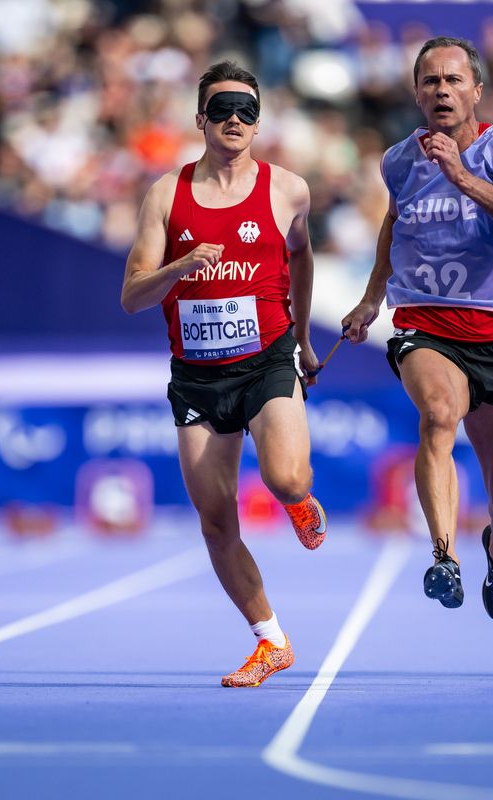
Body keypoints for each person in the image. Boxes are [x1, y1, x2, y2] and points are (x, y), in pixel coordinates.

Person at [119, 61, 328, 687]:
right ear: (201, 119)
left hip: (266, 360)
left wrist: (303, 337)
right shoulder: (167, 193)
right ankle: (271, 640)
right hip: (196, 376)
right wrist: (179, 266)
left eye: (246, 110)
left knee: (287, 478)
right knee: (215, 518)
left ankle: (297, 501)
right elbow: (132, 295)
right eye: (222, 109)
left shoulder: (288, 189)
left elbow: (302, 258)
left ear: (258, 120)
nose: (235, 120)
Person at [342, 36, 493, 620]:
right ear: (416, 93)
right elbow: (393, 222)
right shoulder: (399, 160)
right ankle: (444, 557)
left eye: (453, 80)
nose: (441, 90)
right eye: (430, 81)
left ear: (476, 91)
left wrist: (460, 175)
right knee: (437, 413)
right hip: (423, 321)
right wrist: (370, 298)